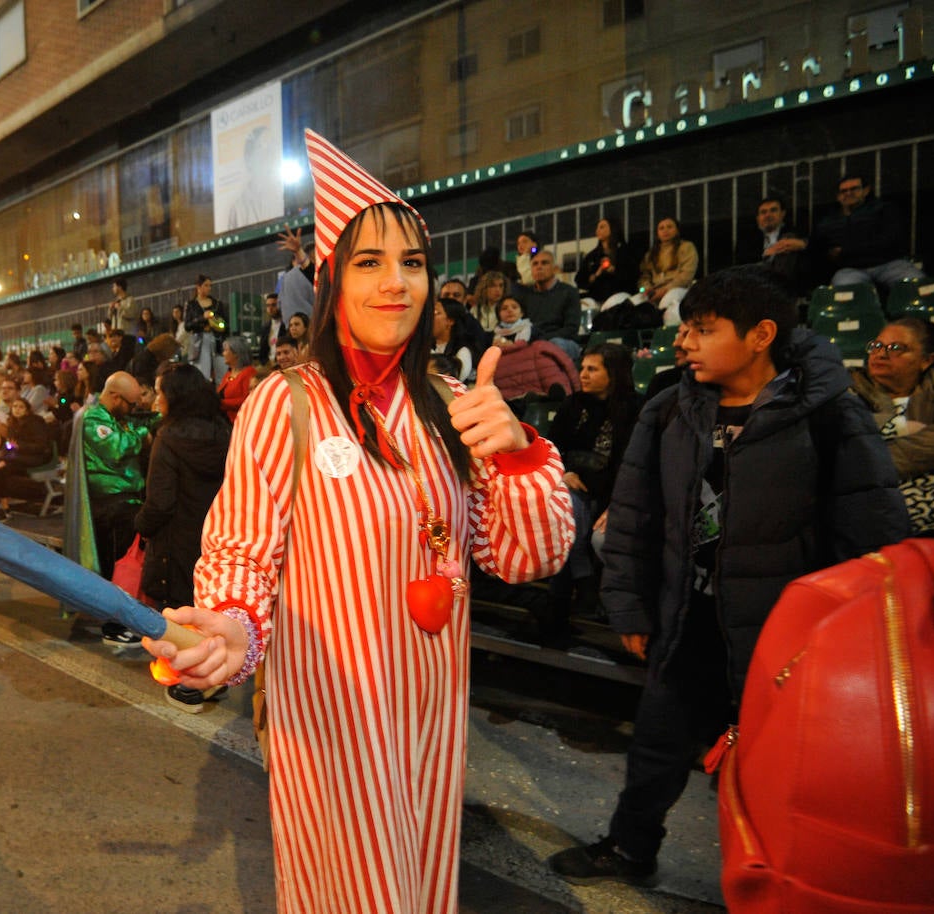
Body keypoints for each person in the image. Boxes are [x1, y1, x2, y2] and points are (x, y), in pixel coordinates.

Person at [142, 130, 573, 914]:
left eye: (411, 262)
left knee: (421, 885)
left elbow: (526, 557)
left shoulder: (450, 402)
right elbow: (242, 557)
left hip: (432, 717)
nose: (395, 283)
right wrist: (233, 633)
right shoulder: (289, 402)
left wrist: (514, 452)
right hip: (334, 720)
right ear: (332, 280)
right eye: (369, 262)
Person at [549, 265, 907, 886]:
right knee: (657, 747)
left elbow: (874, 534)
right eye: (684, 329)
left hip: (787, 636)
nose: (683, 343)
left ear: (761, 335)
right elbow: (635, 516)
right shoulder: (669, 410)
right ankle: (632, 851)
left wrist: (850, 637)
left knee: (778, 767)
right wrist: (630, 608)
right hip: (688, 618)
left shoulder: (828, 416)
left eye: (702, 330)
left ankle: (777, 878)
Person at [133, 364, 232, 711]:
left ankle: (190, 687)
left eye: (161, 392)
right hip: (218, 537)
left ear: (175, 397)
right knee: (212, 611)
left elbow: (160, 501)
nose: (157, 399)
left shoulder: (169, 437)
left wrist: (141, 524)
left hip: (177, 541)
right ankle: (213, 679)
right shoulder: (226, 431)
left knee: (180, 614)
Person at [537, 344, 640, 646]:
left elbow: (634, 464)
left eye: (592, 369)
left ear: (614, 373)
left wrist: (617, 503)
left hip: (614, 494)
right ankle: (584, 582)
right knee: (570, 505)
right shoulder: (573, 405)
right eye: (583, 368)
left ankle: (557, 608)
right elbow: (550, 448)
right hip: (572, 488)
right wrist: (563, 472)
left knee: (572, 516)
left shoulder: (635, 408)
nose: (583, 374)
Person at [81, 371, 151, 645]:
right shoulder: (94, 418)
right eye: (131, 404)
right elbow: (118, 449)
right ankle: (113, 625)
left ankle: (121, 619)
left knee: (125, 567)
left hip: (126, 503)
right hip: (111, 506)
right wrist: (143, 432)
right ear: (113, 396)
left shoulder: (116, 418)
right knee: (117, 568)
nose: (134, 410)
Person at [850, 317, 934, 534]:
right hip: (870, 521)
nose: (881, 353)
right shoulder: (849, 393)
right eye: (877, 345)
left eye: (897, 348)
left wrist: (872, 460)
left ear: (926, 360)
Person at [810, 173, 927, 290]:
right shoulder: (829, 221)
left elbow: (891, 240)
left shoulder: (883, 209)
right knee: (844, 294)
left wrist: (844, 251)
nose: (848, 193)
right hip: (850, 269)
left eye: (854, 189)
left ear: (866, 191)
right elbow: (820, 242)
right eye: (843, 191)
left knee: (918, 287)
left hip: (889, 263)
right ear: (838, 196)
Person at [733, 194, 810, 296]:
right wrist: (766, 253)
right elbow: (741, 262)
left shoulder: (795, 232)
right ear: (758, 218)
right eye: (763, 212)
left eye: (773, 210)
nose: (768, 215)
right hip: (757, 279)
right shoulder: (748, 239)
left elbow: (816, 248)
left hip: (785, 282)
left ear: (782, 213)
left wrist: (803, 244)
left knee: (788, 242)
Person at [514, 249, 582, 360]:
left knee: (554, 344)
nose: (539, 267)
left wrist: (542, 339)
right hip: (534, 342)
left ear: (555, 269)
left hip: (563, 342)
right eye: (535, 264)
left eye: (544, 263)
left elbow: (571, 329)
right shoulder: (525, 295)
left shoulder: (569, 292)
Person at [638, 216, 698, 325]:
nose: (665, 230)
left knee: (668, 300)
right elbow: (645, 276)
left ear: (677, 230)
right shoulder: (651, 254)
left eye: (669, 227)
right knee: (635, 303)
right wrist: (646, 289)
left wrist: (665, 290)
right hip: (654, 291)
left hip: (679, 289)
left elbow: (686, 276)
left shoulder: (686, 247)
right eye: (661, 228)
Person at [575, 217, 640, 306]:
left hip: (620, 294)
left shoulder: (625, 251)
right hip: (596, 296)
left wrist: (615, 270)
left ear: (612, 228)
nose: (598, 230)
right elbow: (579, 279)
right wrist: (595, 275)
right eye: (597, 227)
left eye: (602, 227)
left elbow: (634, 273)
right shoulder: (592, 256)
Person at [183, 275, 228, 381]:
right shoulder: (191, 304)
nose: (209, 288)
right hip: (200, 341)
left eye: (210, 286)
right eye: (206, 285)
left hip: (217, 340)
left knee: (222, 373)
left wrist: (217, 324)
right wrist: (202, 318)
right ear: (198, 287)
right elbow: (187, 326)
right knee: (203, 374)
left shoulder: (217, 303)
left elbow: (225, 323)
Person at [432, 296, 478, 382]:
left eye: (435, 312)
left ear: (450, 321)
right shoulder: (424, 346)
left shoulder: (462, 351)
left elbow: (454, 382)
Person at [216, 336, 255, 423]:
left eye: (226, 350)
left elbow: (247, 400)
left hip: (238, 421)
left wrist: (221, 403)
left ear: (236, 353)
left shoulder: (249, 372)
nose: (223, 354)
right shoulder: (228, 374)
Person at [255, 293, 283, 364]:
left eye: (274, 305)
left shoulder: (286, 325)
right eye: (268, 305)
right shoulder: (265, 327)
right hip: (268, 364)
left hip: (282, 363)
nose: (270, 308)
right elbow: (262, 350)